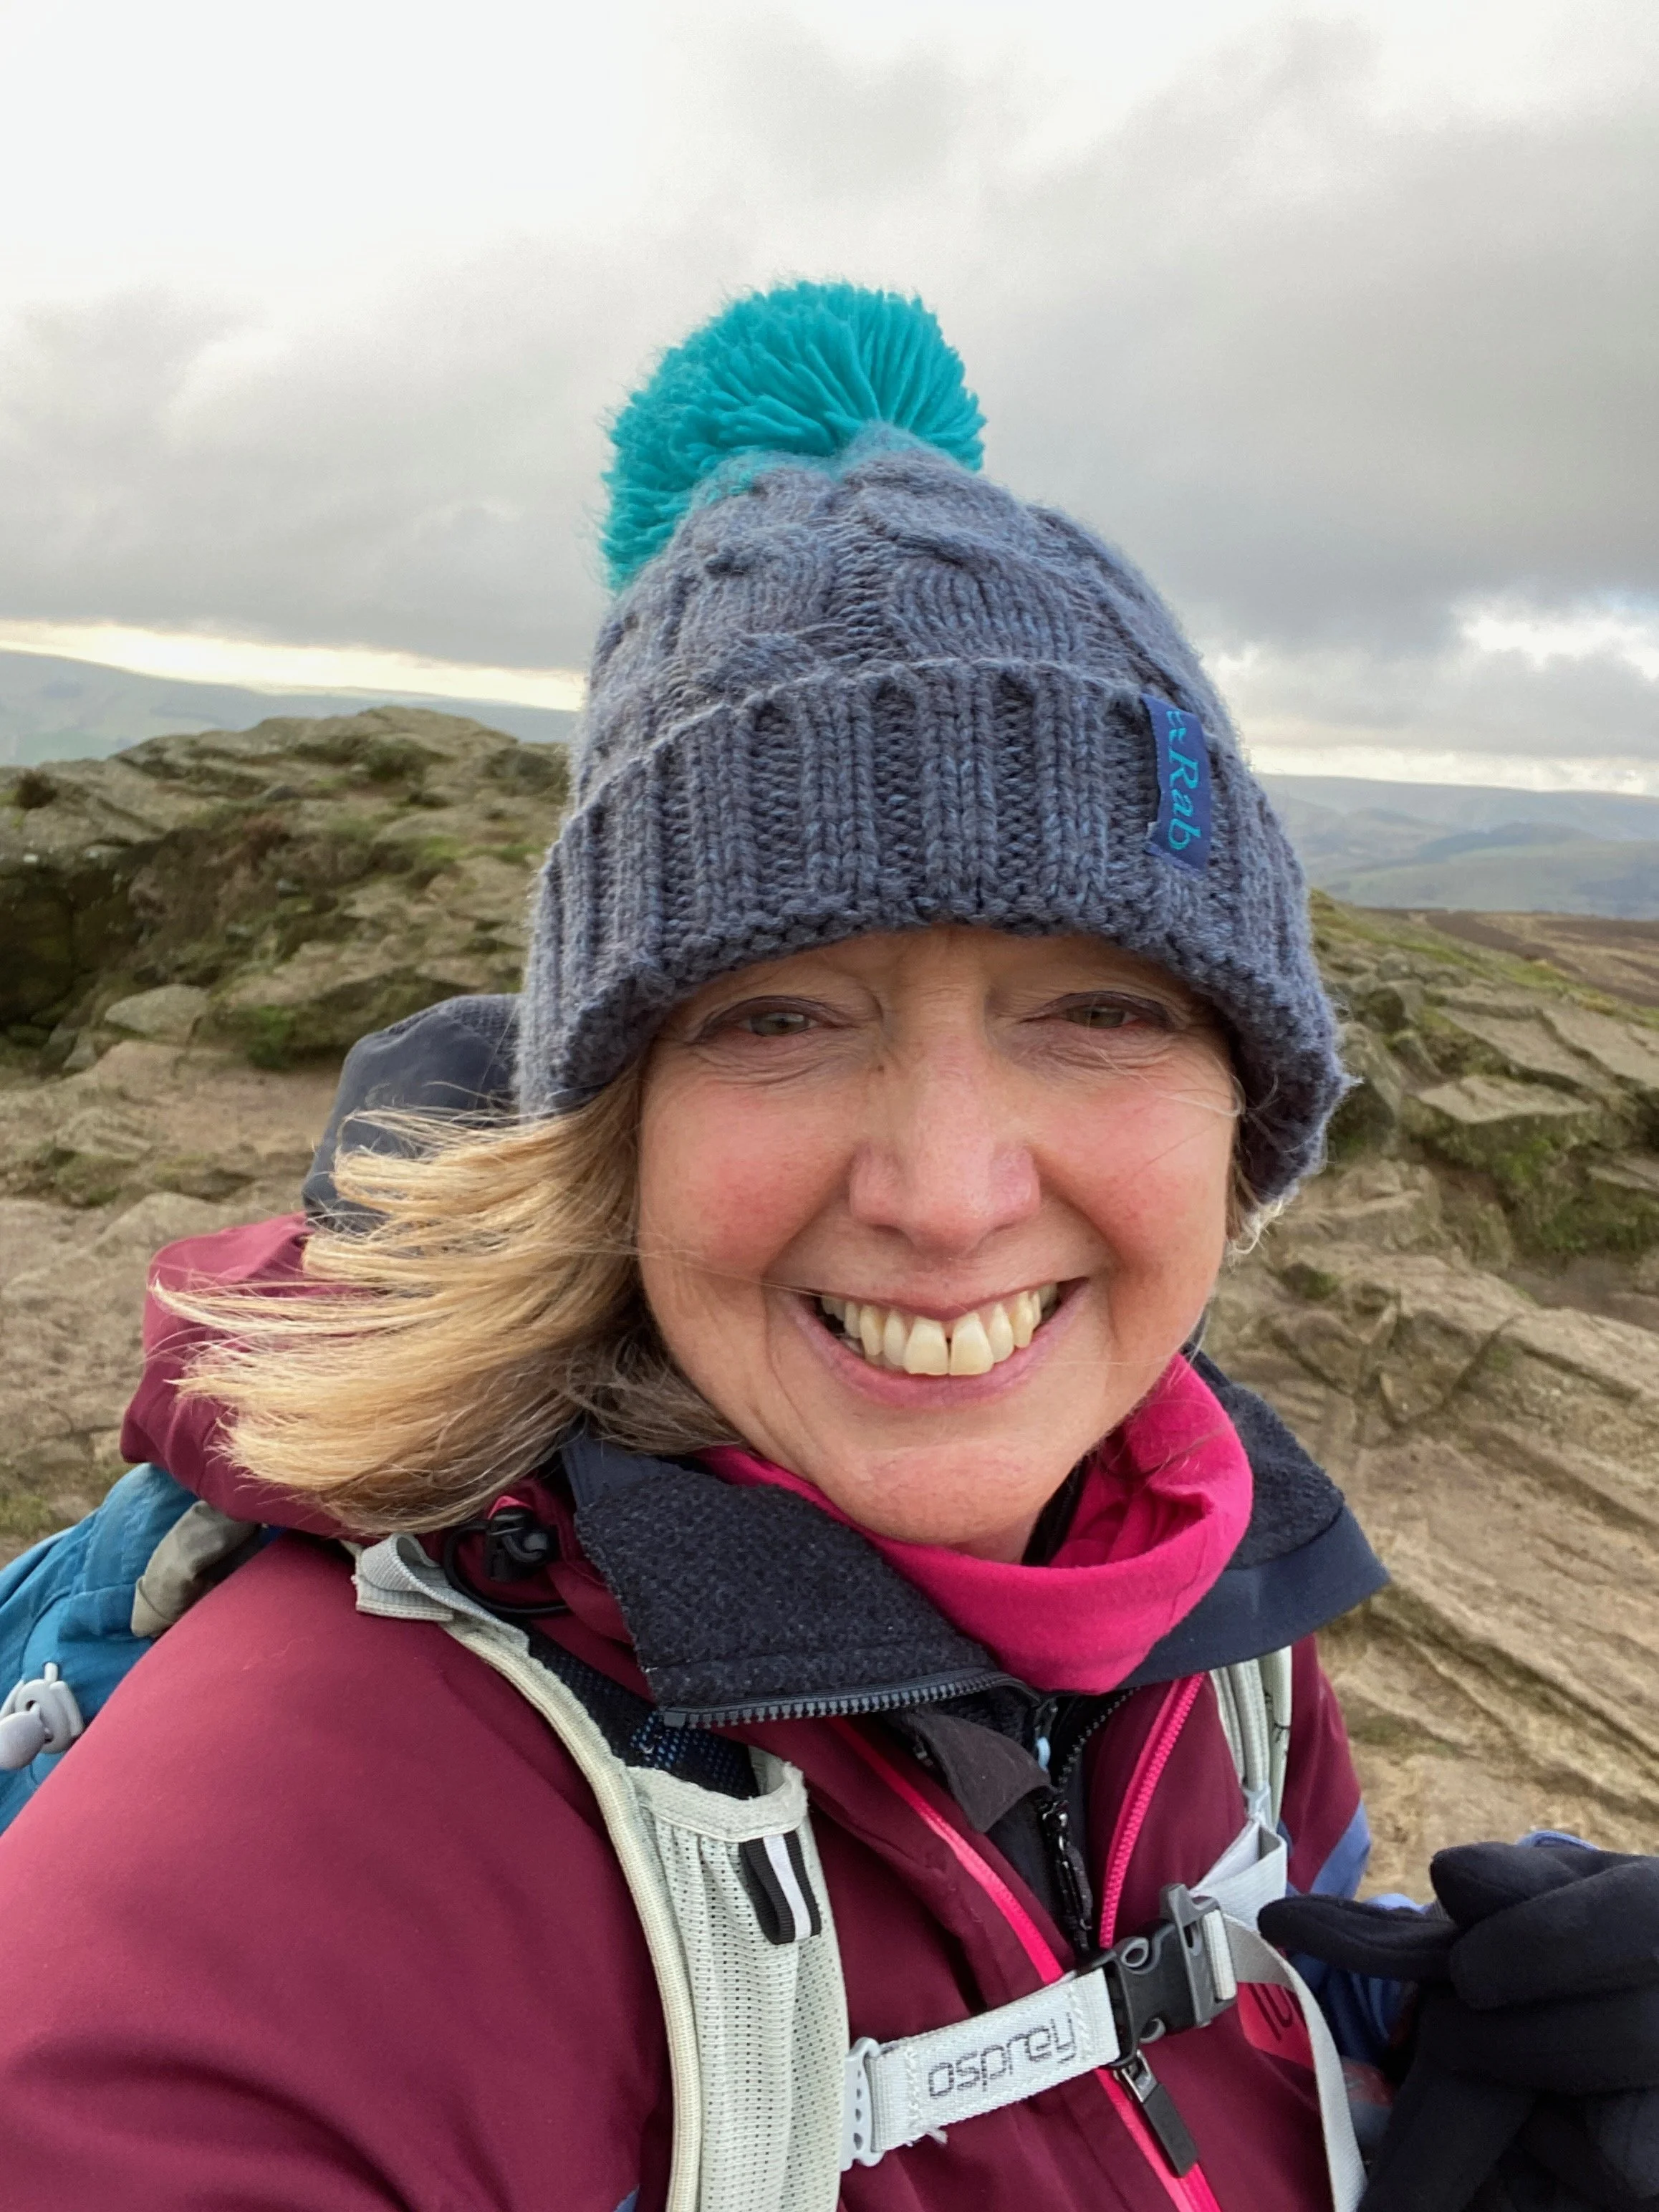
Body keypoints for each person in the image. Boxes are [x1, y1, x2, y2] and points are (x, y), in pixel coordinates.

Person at [1, 284, 1648, 2212]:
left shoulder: (1192, 1574)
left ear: (1241, 1109)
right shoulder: (273, 1890)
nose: (945, 1196)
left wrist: (1429, 2061)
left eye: (1098, 1011)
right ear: (610, 1130)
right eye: (775, 1017)